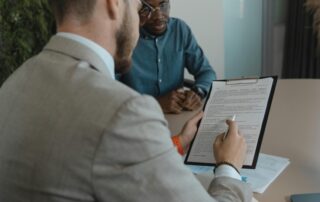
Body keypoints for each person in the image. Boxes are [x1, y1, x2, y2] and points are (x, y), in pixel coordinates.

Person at [0, 0, 252, 201]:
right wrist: (229, 166)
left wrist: (179, 141)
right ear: (113, 3)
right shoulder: (123, 113)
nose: (142, 16)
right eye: (138, 7)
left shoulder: (14, 83)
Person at [119, 0, 216, 114]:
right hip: (138, 116)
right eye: (148, 8)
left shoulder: (180, 29)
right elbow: (111, 94)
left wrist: (198, 92)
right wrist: (156, 103)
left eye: (163, 5)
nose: (159, 16)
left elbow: (207, 72)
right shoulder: (124, 36)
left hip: (177, 115)